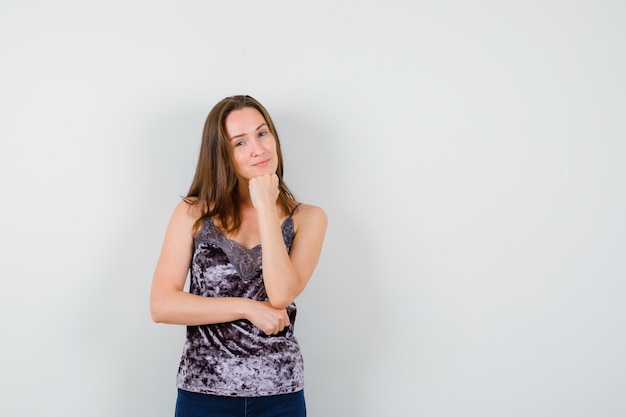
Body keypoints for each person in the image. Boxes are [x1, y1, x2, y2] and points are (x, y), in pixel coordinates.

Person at [150, 95, 327, 417]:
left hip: (280, 394)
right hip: (203, 393)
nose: (258, 149)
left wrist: (265, 208)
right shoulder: (193, 213)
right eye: (240, 142)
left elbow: (281, 293)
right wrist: (246, 308)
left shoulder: (308, 218)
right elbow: (162, 305)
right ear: (223, 155)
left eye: (262, 134)